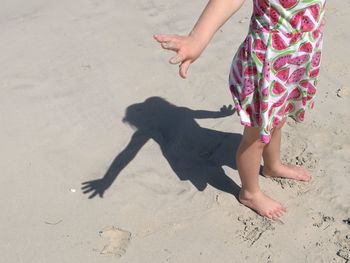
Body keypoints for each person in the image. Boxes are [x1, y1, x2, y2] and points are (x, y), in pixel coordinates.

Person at [154, 0, 326, 219]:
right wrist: (198, 39)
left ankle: (273, 166)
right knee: (256, 136)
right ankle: (250, 192)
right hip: (267, 65)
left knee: (278, 119)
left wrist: (216, 115)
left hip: (297, 57)